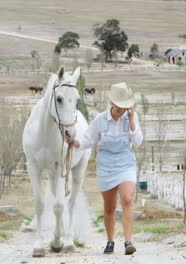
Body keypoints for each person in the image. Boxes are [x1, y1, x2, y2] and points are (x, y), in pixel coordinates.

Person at [66, 82, 143, 255]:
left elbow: (137, 141)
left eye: (126, 106)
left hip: (125, 162)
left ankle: (128, 242)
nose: (123, 109)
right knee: (109, 207)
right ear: (112, 103)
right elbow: (88, 141)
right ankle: (110, 241)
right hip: (106, 164)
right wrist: (75, 143)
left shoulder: (131, 118)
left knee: (127, 200)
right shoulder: (100, 119)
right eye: (120, 106)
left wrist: (131, 121)